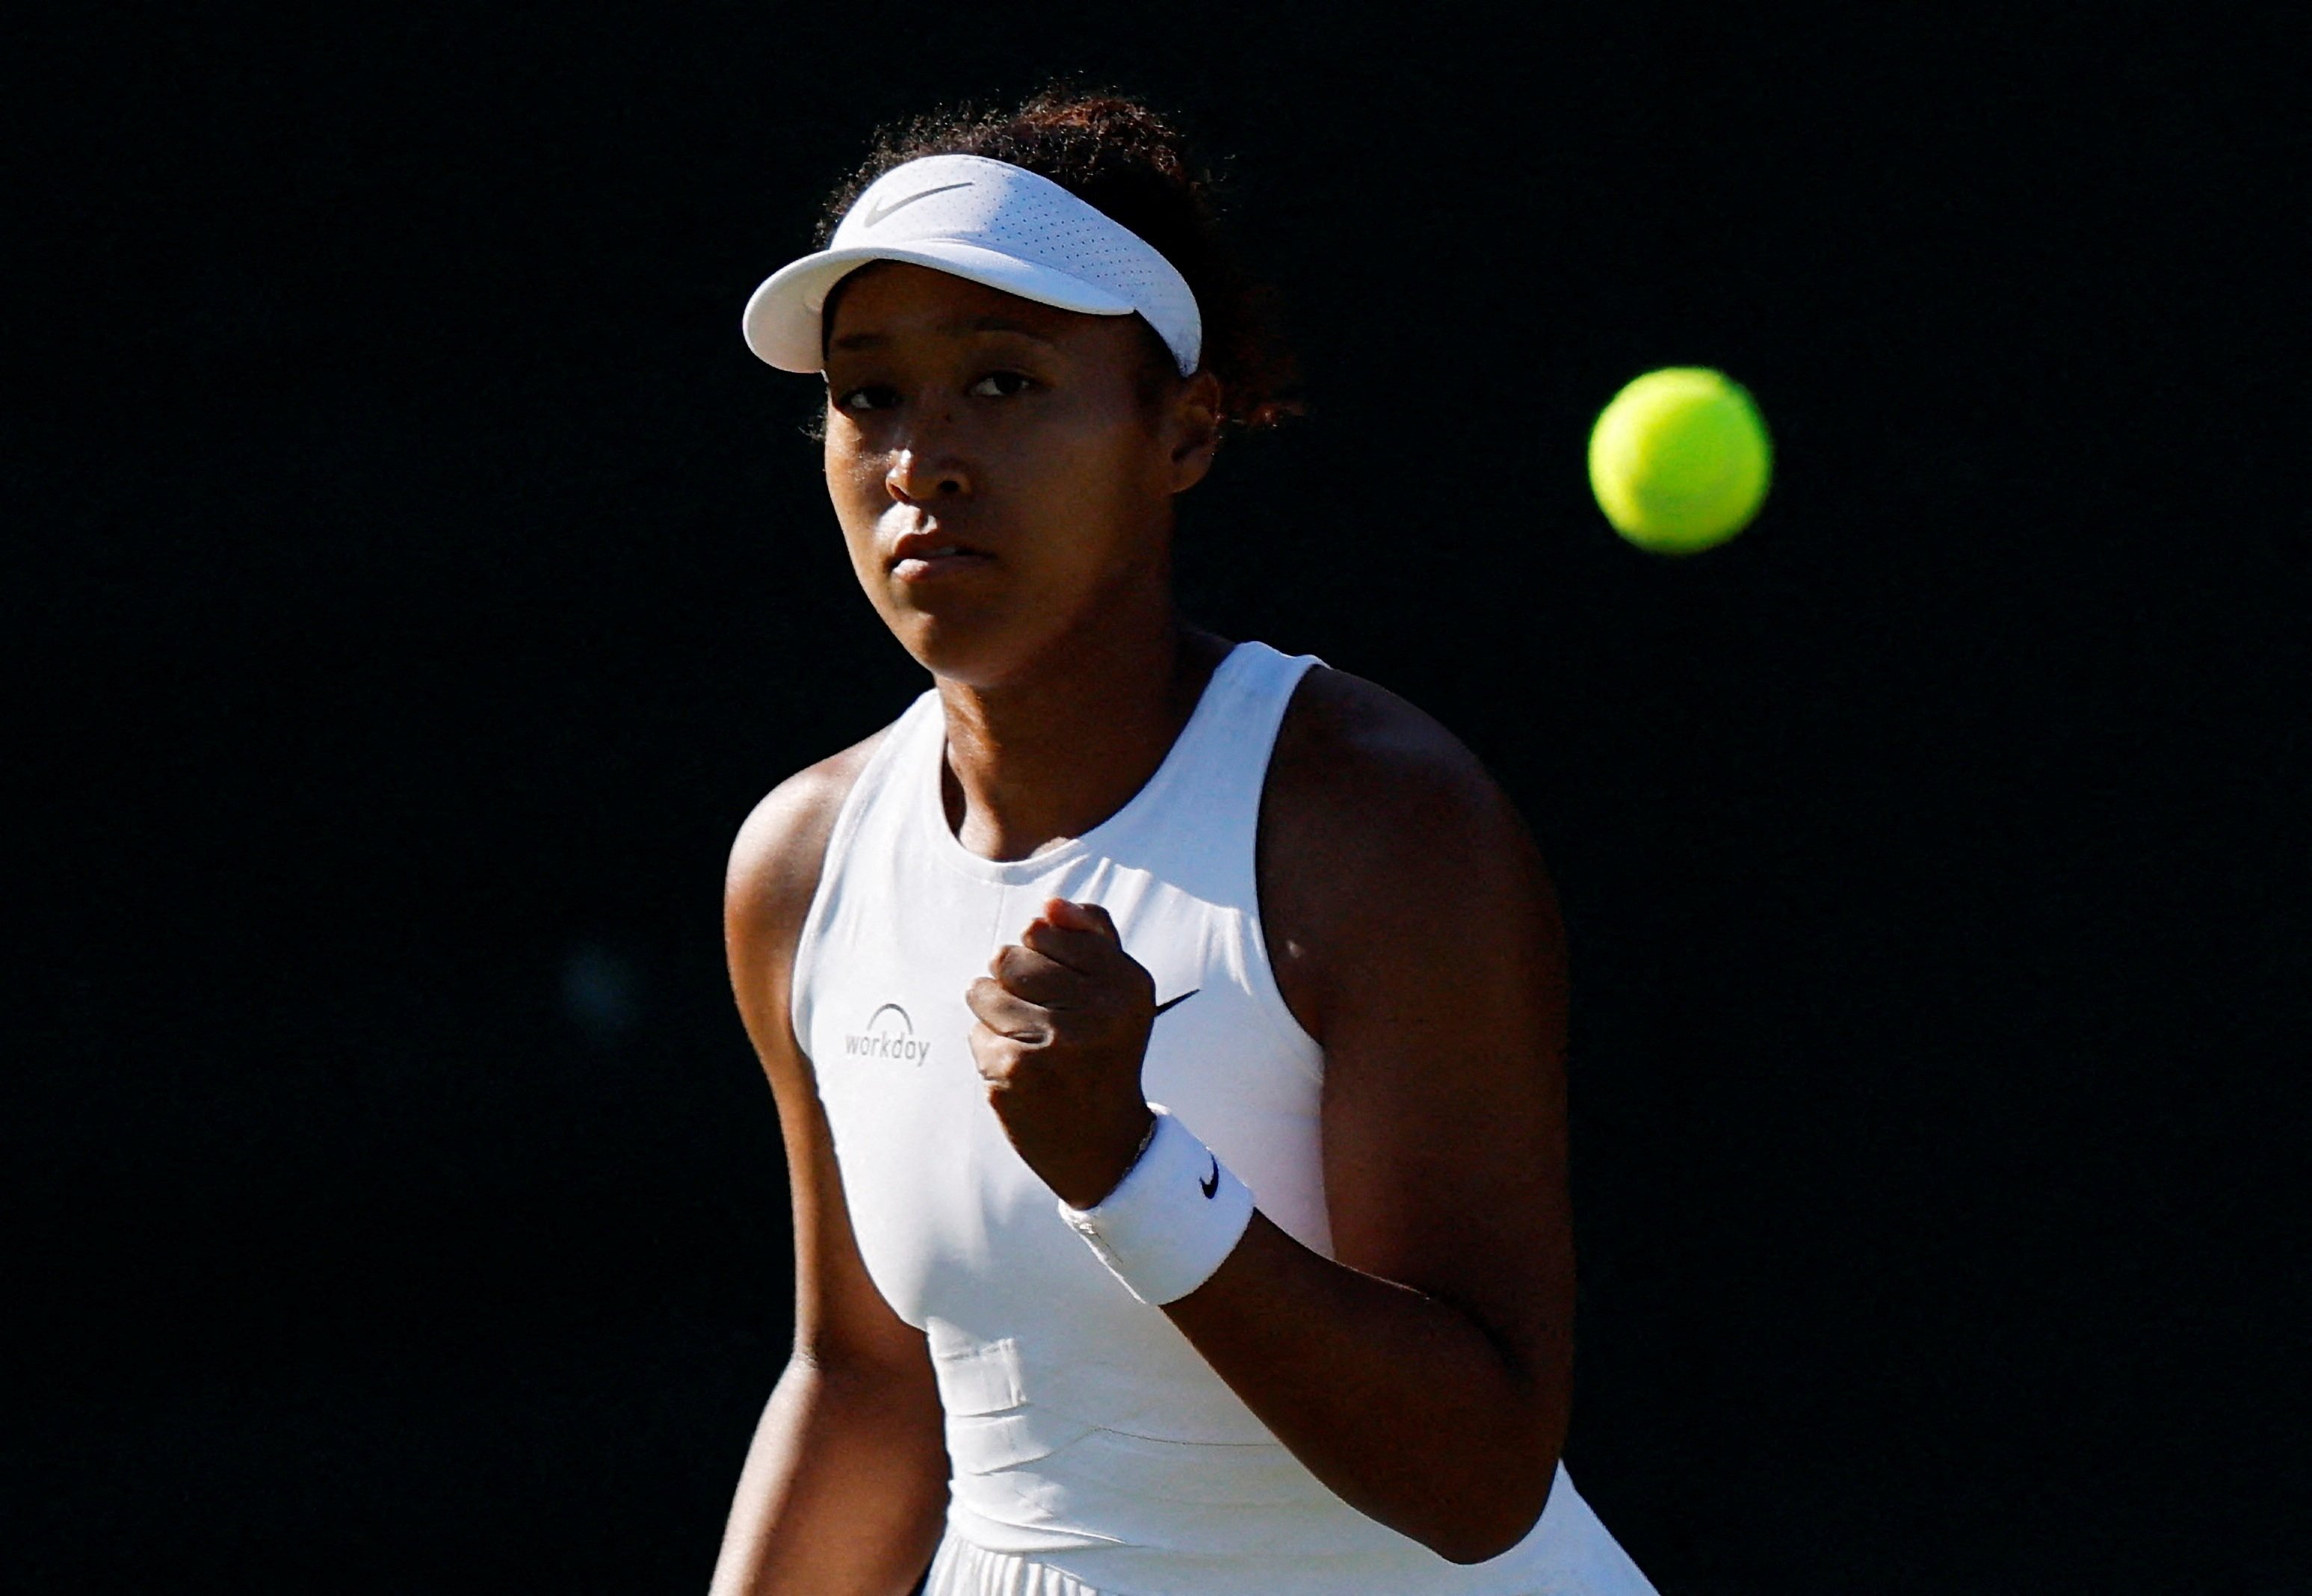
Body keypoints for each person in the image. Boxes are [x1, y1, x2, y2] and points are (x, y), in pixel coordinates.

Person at [708, 90, 1659, 1596]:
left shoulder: (1377, 826)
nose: (920, 460)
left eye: (1005, 382)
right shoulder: (800, 867)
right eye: (868, 394)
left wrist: (1132, 1174)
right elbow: (867, 1387)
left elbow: (1481, 1481)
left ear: (1184, 431)